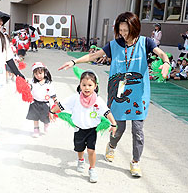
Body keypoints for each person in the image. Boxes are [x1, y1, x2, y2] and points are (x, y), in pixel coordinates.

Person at [58, 12, 170, 177]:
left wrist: (166, 63)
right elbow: (94, 55)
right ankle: (112, 146)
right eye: (121, 30)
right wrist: (74, 61)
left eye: (126, 30)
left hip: (139, 94)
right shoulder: (115, 44)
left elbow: (161, 53)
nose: (124, 34)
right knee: (119, 127)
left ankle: (136, 162)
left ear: (135, 28)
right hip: (118, 92)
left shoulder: (146, 42)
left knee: (138, 130)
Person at [50, 70, 117, 183]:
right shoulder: (75, 98)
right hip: (79, 129)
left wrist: (114, 124)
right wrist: (52, 112)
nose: (87, 88)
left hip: (91, 130)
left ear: (95, 86)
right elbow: (62, 105)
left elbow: (107, 112)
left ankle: (92, 169)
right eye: (84, 85)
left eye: (90, 85)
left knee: (91, 150)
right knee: (79, 149)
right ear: (80, 85)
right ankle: (81, 160)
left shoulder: (98, 100)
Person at [26, 62, 57, 137]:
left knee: (45, 117)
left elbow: (52, 93)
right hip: (34, 103)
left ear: (44, 72)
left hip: (45, 104)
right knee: (35, 117)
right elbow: (28, 88)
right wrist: (26, 86)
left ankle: (46, 125)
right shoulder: (32, 82)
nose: (38, 76)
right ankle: (36, 130)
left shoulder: (48, 83)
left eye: (40, 73)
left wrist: (55, 100)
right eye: (36, 74)